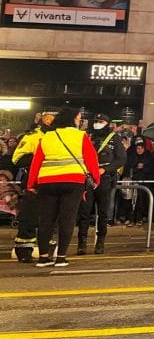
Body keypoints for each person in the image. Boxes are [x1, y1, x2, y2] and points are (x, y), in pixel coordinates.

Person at [28, 107, 100, 267]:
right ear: (72, 119)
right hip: (72, 181)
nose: (80, 121)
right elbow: (91, 159)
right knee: (67, 218)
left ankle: (43, 257)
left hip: (47, 181)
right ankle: (60, 257)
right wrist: (95, 179)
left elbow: (36, 161)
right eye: (79, 118)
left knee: (46, 219)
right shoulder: (80, 135)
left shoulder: (47, 137)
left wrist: (31, 183)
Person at [11, 109, 57, 263]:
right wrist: (40, 155)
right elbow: (17, 159)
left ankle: (47, 249)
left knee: (50, 218)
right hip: (34, 183)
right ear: (44, 119)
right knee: (29, 218)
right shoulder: (32, 136)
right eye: (50, 118)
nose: (53, 121)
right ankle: (24, 250)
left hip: (53, 182)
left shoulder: (60, 136)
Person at [77, 113, 125, 255]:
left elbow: (121, 159)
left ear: (108, 123)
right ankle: (82, 243)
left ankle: (100, 243)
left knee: (103, 213)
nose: (98, 123)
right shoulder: (86, 136)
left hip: (104, 178)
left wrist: (105, 169)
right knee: (84, 212)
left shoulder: (114, 138)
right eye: (96, 121)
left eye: (101, 121)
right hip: (88, 177)